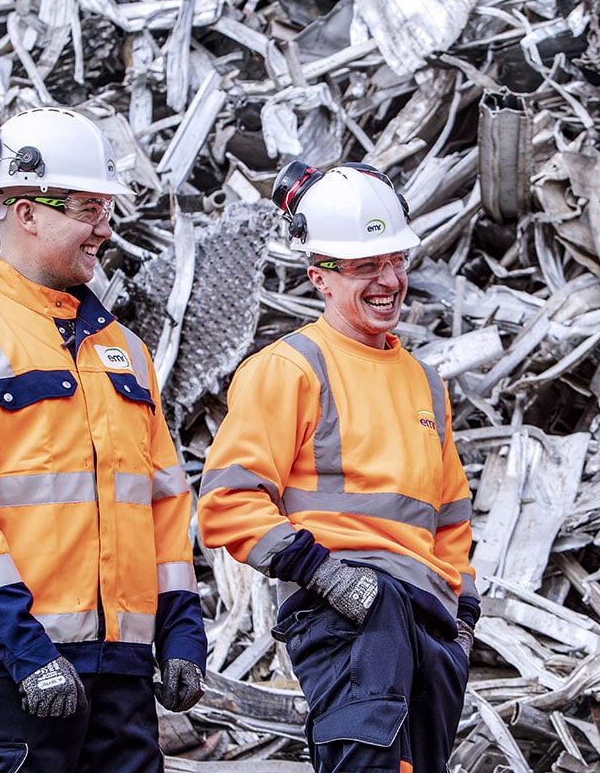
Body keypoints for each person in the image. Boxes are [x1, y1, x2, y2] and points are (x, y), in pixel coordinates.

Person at [0, 106, 208, 772]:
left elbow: (161, 499)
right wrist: (27, 652)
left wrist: (180, 628)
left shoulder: (124, 350)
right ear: (25, 211)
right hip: (0, 670)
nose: (106, 227)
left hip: (119, 669)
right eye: (87, 208)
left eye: (105, 208)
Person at [196, 161, 478, 772]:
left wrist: (465, 615)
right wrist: (324, 577)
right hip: (347, 608)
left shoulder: (424, 383)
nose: (389, 280)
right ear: (319, 276)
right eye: (364, 266)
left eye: (395, 260)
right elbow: (225, 504)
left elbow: (450, 517)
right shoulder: (291, 368)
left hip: (428, 619)